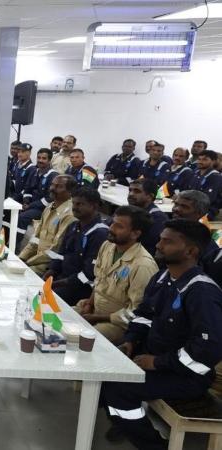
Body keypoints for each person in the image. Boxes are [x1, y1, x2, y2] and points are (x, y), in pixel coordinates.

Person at [100, 219, 222, 449]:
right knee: (102, 365)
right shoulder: (162, 278)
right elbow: (144, 315)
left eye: (167, 242)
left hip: (185, 375)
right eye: (160, 239)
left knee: (118, 390)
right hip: (153, 357)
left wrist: (157, 362)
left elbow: (208, 349)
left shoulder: (202, 292)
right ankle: (124, 418)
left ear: (191, 251)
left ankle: (153, 445)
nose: (158, 245)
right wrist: (131, 340)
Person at [73, 205, 157, 344]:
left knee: (80, 340)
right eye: (112, 223)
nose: (111, 228)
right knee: (55, 317)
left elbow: (136, 312)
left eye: (119, 226)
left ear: (135, 234)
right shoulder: (107, 245)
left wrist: (97, 318)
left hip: (117, 324)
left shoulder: (143, 266)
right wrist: (89, 304)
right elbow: (99, 280)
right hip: (94, 309)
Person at [43, 188, 108, 305]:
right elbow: (61, 254)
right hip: (61, 278)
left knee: (44, 298)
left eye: (80, 204)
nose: (74, 207)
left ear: (94, 207)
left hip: (79, 287)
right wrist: (49, 273)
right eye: (73, 203)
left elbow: (88, 274)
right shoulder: (73, 225)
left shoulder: (100, 234)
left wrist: (54, 284)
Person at [18, 175, 77, 275]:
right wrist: (21, 258)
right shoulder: (49, 207)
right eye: (52, 185)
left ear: (70, 192)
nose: (53, 188)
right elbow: (35, 239)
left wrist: (28, 263)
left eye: (59, 186)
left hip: (49, 265)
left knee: (19, 276)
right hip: (36, 259)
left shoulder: (69, 215)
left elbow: (55, 250)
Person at [16, 148, 58, 249]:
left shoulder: (53, 176)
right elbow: (27, 190)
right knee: (11, 211)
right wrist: (26, 202)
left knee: (22, 217)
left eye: (44, 158)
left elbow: (49, 198)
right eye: (39, 158)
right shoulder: (35, 172)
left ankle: (16, 245)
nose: (40, 160)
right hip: (31, 205)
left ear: (49, 161)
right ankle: (8, 239)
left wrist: (30, 206)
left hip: (44, 208)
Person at [122, 178, 168, 255]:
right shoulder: (128, 210)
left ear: (150, 197)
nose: (131, 194)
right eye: (130, 190)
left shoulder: (158, 218)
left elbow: (145, 245)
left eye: (136, 191)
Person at [190, 150, 222, 220]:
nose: (200, 162)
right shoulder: (196, 174)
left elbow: (208, 199)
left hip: (207, 210)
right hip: (191, 208)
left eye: (204, 159)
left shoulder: (215, 176)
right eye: (199, 159)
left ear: (213, 161)